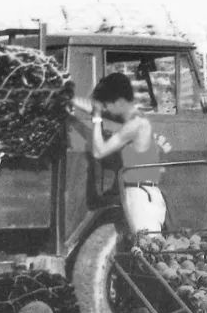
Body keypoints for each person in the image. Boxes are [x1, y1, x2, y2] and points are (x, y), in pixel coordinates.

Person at [72, 73, 171, 236]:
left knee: (148, 249)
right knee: (146, 247)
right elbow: (93, 107)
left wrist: (96, 119)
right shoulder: (133, 118)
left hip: (141, 197)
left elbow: (99, 151)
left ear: (118, 102)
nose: (104, 109)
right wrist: (67, 98)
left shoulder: (135, 125)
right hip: (139, 193)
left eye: (106, 105)